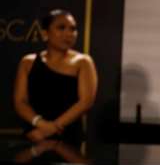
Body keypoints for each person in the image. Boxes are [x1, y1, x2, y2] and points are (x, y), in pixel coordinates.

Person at [13, 9, 97, 146]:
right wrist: (40, 124)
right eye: (61, 27)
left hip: (69, 138)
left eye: (73, 29)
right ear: (45, 33)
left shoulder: (83, 62)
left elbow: (85, 102)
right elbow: (20, 101)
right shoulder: (28, 62)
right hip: (34, 135)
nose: (69, 34)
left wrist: (51, 129)